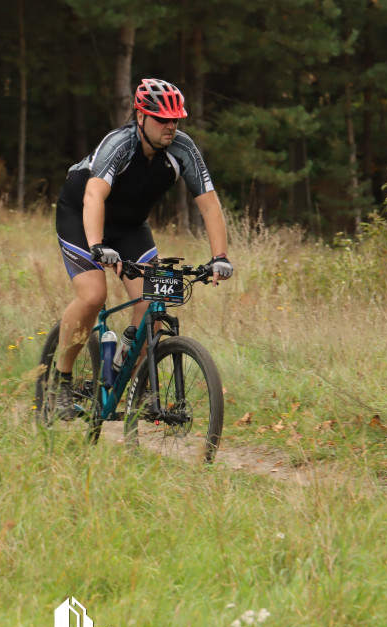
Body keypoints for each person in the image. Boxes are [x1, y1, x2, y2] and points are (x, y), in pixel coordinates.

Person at [53, 78, 233, 418]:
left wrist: (219, 257)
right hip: (82, 216)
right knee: (93, 295)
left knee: (152, 300)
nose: (171, 126)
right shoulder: (119, 144)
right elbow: (94, 196)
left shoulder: (183, 150)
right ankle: (60, 381)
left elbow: (209, 204)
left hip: (130, 227)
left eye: (175, 119)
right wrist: (97, 245)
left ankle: (126, 378)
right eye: (162, 119)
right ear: (140, 117)